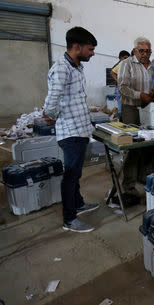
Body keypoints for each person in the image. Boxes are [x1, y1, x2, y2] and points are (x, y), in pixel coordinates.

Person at [43, 27, 98, 233]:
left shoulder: (76, 67)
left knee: (76, 173)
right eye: (90, 49)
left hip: (80, 129)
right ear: (77, 46)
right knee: (71, 175)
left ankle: (78, 203)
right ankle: (69, 219)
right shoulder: (61, 69)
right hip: (71, 131)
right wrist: (51, 116)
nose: (92, 53)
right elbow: (51, 101)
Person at [117, 37, 154, 202]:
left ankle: (144, 178)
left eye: (148, 51)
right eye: (141, 51)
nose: (145, 54)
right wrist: (140, 95)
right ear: (134, 51)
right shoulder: (127, 64)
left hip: (150, 109)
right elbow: (122, 87)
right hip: (131, 108)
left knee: (149, 144)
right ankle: (129, 186)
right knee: (132, 147)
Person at [110, 50, 130, 121]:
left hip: (122, 89)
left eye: (128, 58)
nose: (126, 59)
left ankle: (121, 120)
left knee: (122, 107)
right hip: (119, 89)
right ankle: (121, 121)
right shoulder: (121, 64)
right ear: (120, 58)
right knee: (121, 107)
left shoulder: (124, 64)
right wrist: (119, 81)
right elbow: (112, 72)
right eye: (125, 58)